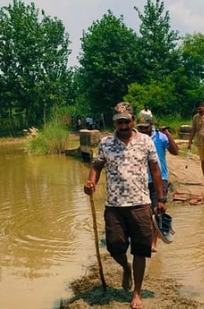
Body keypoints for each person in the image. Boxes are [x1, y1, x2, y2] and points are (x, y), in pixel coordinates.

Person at [83, 102, 166, 309]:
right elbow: (96, 166)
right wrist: (91, 181)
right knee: (114, 246)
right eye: (119, 122)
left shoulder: (146, 141)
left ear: (132, 121)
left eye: (126, 121)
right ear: (115, 123)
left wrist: (161, 199)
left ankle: (137, 292)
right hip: (114, 206)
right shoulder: (106, 143)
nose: (123, 125)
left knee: (141, 249)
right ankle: (125, 268)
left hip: (141, 205)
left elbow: (155, 170)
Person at [136, 112, 179, 252]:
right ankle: (151, 235)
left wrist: (167, 134)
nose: (143, 130)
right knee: (144, 212)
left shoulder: (160, 137)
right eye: (140, 128)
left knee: (157, 210)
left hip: (160, 179)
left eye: (145, 127)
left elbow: (175, 151)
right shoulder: (136, 139)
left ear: (151, 125)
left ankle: (153, 242)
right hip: (141, 179)